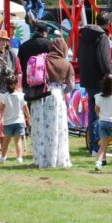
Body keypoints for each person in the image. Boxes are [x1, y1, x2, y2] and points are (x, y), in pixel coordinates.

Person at [30, 37, 75, 169]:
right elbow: (71, 85)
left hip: (40, 95)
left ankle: (40, 159)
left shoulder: (43, 60)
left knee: (40, 128)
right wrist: (62, 91)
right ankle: (56, 159)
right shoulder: (66, 64)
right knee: (56, 128)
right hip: (56, 96)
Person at [77, 11, 112, 155]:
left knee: (93, 114)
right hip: (100, 80)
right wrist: (110, 77)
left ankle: (94, 146)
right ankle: (98, 146)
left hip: (88, 79)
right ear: (109, 24)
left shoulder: (84, 35)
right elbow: (105, 61)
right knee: (101, 114)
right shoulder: (102, 37)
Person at [0, 75, 30, 164]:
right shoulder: (21, 95)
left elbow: (1, 109)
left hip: (8, 122)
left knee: (6, 142)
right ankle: (19, 158)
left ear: (6, 85)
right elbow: (26, 109)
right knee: (18, 141)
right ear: (16, 84)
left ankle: (3, 157)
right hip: (19, 122)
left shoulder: (4, 96)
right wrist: (28, 118)